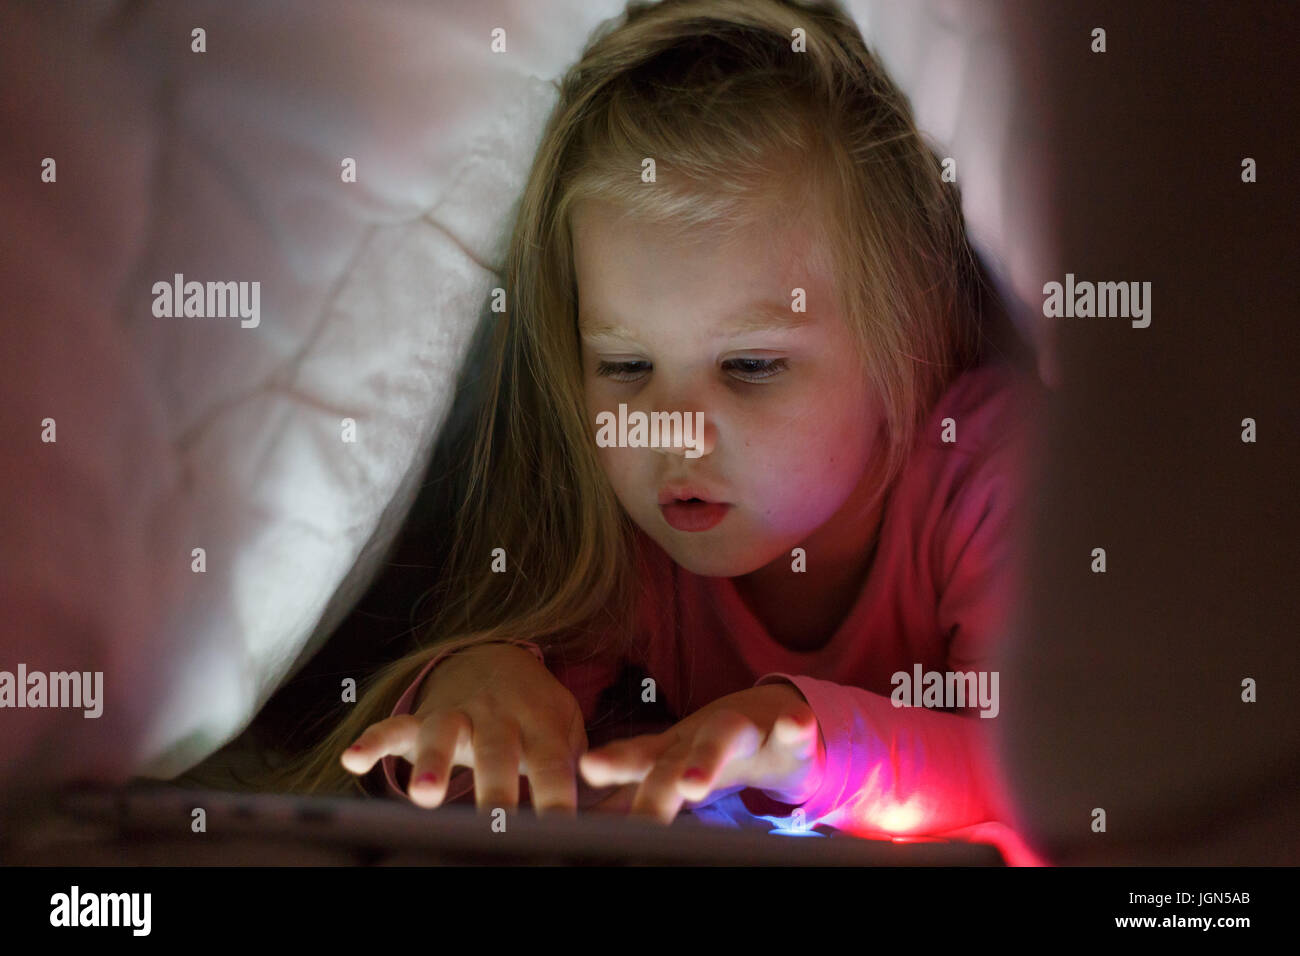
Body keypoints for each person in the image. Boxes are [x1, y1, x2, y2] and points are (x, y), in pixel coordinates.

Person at [260, 0, 1046, 863]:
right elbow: (499, 724)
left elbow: (1055, 773)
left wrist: (815, 747)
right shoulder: (627, 531)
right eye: (627, 368)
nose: (671, 431)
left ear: (906, 333)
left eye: (750, 367)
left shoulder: (991, 479)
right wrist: (473, 687)